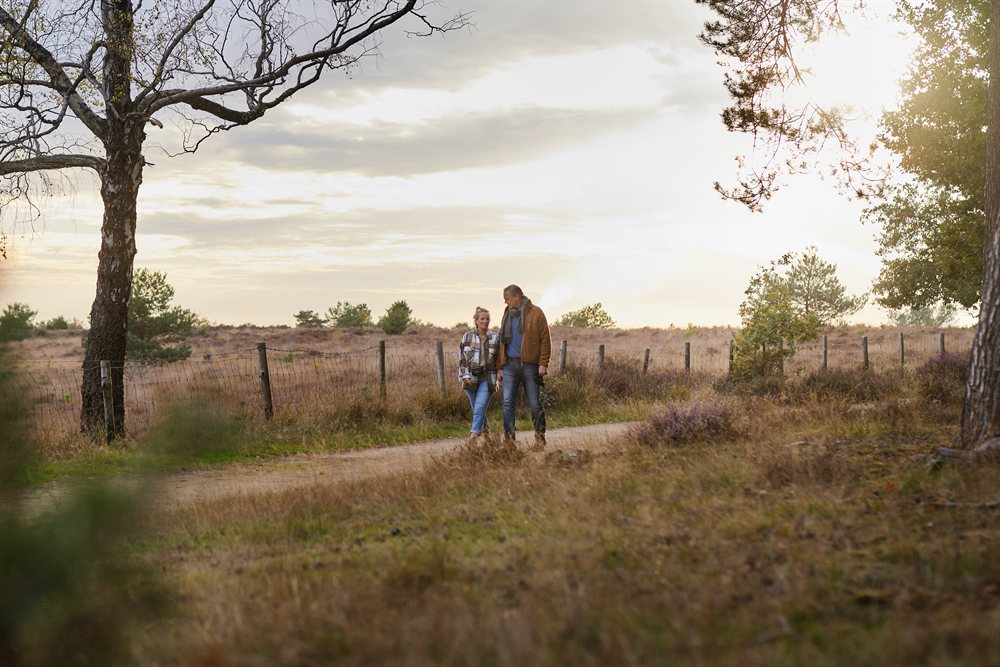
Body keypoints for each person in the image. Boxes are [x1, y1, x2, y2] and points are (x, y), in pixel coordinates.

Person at [497, 284, 551, 449]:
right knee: (507, 404)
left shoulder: (536, 313)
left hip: (529, 366)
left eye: (507, 299)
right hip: (510, 366)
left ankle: (540, 438)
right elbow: (502, 342)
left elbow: (545, 340)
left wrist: (543, 363)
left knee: (535, 404)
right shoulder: (507, 314)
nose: (505, 303)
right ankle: (509, 441)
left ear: (516, 297)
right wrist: (500, 366)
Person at [458, 306, 500, 443]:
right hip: (470, 378)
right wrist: (464, 377)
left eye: (487, 319)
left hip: (488, 378)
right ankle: (486, 432)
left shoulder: (495, 338)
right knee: (477, 408)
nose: (485, 321)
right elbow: (462, 360)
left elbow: (500, 359)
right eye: (482, 318)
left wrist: (500, 371)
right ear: (476, 321)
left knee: (480, 406)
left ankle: (473, 435)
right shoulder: (467, 337)